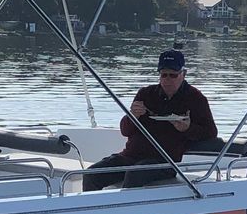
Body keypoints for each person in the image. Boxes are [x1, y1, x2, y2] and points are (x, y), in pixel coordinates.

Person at [83, 46, 219, 191]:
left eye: (173, 75)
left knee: (134, 174)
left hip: (165, 162)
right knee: (92, 174)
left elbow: (211, 132)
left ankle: (128, 212)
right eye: (163, 75)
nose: (167, 80)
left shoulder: (195, 99)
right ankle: (90, 212)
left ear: (183, 74)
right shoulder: (145, 94)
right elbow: (125, 130)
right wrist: (133, 116)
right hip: (131, 156)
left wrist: (188, 128)